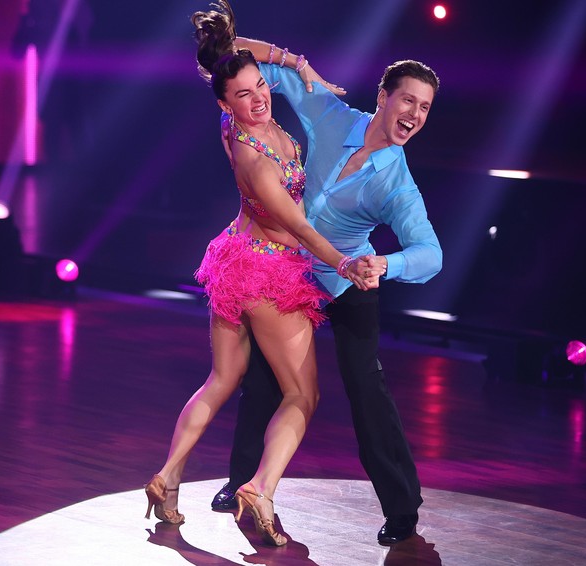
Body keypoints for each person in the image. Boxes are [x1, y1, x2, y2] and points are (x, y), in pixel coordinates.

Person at [143, 1, 380, 547]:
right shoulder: (258, 160)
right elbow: (299, 226)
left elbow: (231, 53)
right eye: (244, 94)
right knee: (302, 395)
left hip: (234, 257)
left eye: (259, 87)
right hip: (269, 276)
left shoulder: (234, 119)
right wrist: (343, 263)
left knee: (222, 380)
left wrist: (297, 65)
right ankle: (261, 490)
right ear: (225, 103)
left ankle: (168, 476)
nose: (257, 98)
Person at [209, 33, 443, 546]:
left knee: (366, 388)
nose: (414, 114)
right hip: (291, 269)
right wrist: (292, 61)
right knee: (265, 379)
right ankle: (241, 482)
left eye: (424, 108)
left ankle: (402, 508)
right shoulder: (332, 114)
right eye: (408, 100)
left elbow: (431, 255)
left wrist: (385, 262)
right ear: (383, 97)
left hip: (346, 278)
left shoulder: (397, 184)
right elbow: (234, 64)